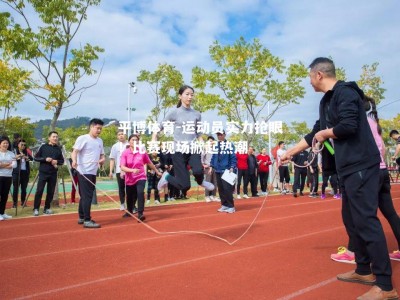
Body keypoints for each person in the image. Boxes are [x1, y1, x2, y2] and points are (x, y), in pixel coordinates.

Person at [280, 57, 397, 299]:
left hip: (362, 165)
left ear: (319, 75)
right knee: (353, 221)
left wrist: (325, 133)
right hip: (347, 169)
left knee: (366, 221)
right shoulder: (326, 102)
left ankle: (386, 286)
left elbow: (349, 126)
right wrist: (290, 152)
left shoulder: (346, 92)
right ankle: (363, 270)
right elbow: (315, 131)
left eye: (310, 77)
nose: (309, 82)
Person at [331, 96, 400, 265]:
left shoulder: (356, 122)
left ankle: (355, 253)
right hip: (381, 170)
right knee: (390, 213)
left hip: (367, 173)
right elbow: (382, 149)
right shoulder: (374, 122)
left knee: (356, 215)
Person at [154, 85, 214, 194]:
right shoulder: (174, 112)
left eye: (192, 95)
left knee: (197, 170)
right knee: (184, 186)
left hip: (193, 149)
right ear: (180, 96)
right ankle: (166, 177)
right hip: (178, 151)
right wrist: (154, 140)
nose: (190, 97)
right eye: (187, 94)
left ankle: (200, 182)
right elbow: (159, 127)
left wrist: (204, 146)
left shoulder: (197, 114)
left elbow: (199, 134)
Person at [71, 119, 105, 229]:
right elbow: (74, 152)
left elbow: (102, 155)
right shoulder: (82, 138)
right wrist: (74, 161)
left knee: (85, 196)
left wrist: (102, 160)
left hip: (93, 172)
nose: (99, 130)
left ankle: (82, 217)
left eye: (100, 129)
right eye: (97, 128)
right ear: (91, 127)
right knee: (87, 196)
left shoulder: (100, 141)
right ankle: (87, 220)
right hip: (83, 171)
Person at [120, 134, 162, 221]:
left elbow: (150, 163)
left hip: (141, 176)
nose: (135, 142)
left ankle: (140, 213)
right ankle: (130, 211)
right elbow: (122, 167)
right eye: (133, 140)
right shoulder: (125, 153)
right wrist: (132, 170)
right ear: (129, 142)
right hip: (130, 178)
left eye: (136, 140)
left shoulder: (142, 152)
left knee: (140, 193)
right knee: (130, 196)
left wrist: (157, 171)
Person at [33, 131, 64, 216]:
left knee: (50, 192)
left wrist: (56, 161)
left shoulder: (58, 149)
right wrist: (45, 159)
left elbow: (62, 161)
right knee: (39, 191)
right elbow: (36, 157)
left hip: (53, 173)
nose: (55, 138)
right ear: (49, 138)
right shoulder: (43, 147)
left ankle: (46, 208)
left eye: (57, 137)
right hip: (43, 172)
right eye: (53, 137)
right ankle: (36, 208)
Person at [210, 130, 237, 213]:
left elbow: (233, 156)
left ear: (224, 135)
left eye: (221, 134)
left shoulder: (229, 145)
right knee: (221, 188)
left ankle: (231, 206)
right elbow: (214, 156)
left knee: (227, 188)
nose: (219, 136)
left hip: (226, 170)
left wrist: (232, 166)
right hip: (217, 170)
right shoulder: (216, 146)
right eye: (218, 134)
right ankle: (224, 205)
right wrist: (211, 166)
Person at [109, 130, 129, 210]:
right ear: (117, 136)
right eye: (119, 134)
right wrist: (110, 171)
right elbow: (112, 159)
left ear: (125, 135)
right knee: (121, 188)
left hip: (129, 170)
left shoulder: (129, 144)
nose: (121, 136)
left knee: (130, 188)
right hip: (119, 170)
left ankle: (131, 204)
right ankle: (122, 204)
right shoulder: (115, 146)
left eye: (122, 134)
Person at [12, 139, 33, 207]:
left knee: (24, 189)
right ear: (18, 145)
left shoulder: (26, 151)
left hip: (25, 172)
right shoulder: (14, 151)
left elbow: (32, 158)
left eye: (24, 145)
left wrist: (26, 157)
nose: (23, 146)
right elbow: (11, 158)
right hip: (16, 172)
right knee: (16, 188)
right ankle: (15, 203)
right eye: (22, 144)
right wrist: (18, 156)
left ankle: (23, 202)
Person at [0, 136, 16, 221]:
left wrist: (3, 164)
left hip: (8, 177)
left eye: (7, 143)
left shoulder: (11, 153)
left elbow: (14, 165)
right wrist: (8, 164)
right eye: (4, 143)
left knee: (5, 195)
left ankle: (2, 212)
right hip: (0, 176)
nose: (6, 144)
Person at [201, 135, 219, 202]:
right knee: (208, 181)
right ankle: (207, 196)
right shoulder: (205, 149)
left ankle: (213, 195)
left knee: (215, 182)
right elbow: (202, 157)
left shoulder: (215, 150)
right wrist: (203, 165)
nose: (211, 143)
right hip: (208, 167)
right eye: (209, 141)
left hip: (215, 167)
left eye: (212, 141)